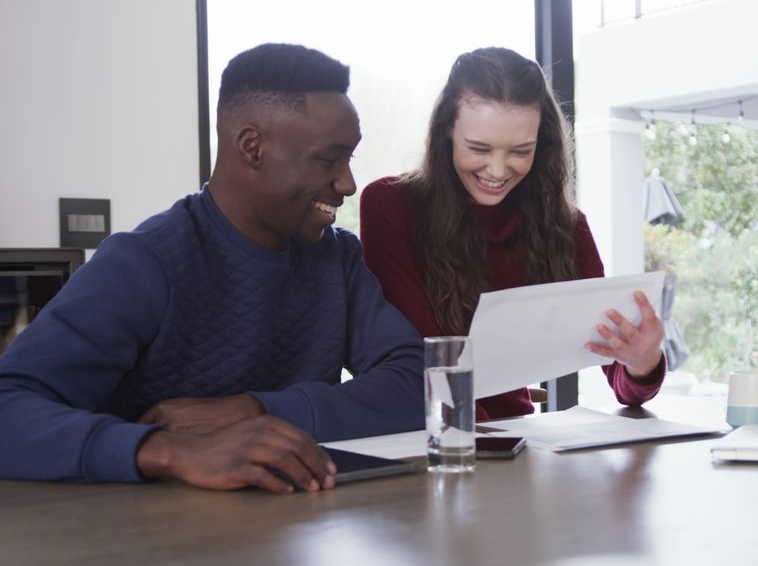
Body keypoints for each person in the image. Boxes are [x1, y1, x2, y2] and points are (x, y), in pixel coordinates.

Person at [0, 43, 425, 492]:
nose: (348, 184)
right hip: (152, 527)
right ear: (252, 147)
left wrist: (259, 410)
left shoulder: (337, 258)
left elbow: (419, 383)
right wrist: (171, 451)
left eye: (349, 159)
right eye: (326, 160)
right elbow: (8, 407)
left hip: (305, 520)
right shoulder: (142, 262)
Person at [359, 47, 665, 420]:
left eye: (521, 151)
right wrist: (496, 443)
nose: (498, 170)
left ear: (542, 143)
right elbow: (424, 363)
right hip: (431, 435)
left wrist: (642, 361)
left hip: (514, 436)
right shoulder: (391, 206)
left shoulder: (564, 226)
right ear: (447, 130)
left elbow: (624, 385)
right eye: (479, 148)